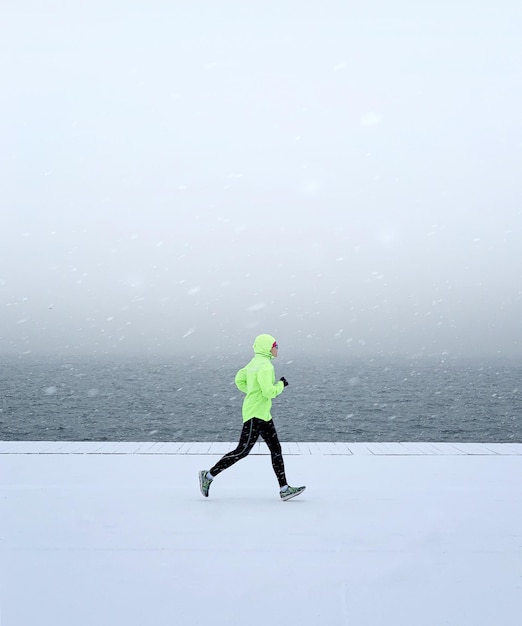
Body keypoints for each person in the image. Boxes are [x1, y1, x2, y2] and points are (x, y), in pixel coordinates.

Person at [199, 333, 306, 501]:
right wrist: (281, 385)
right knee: (242, 451)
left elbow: (239, 380)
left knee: (276, 449)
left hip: (263, 414)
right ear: (267, 347)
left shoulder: (254, 363)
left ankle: (284, 488)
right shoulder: (265, 366)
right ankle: (208, 475)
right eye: (275, 345)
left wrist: (251, 393)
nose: (277, 348)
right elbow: (269, 392)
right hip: (255, 415)